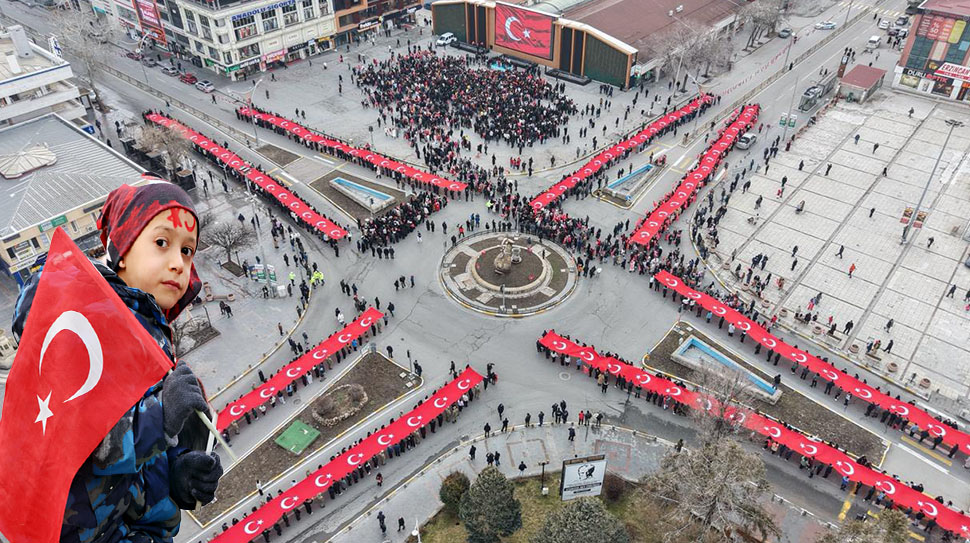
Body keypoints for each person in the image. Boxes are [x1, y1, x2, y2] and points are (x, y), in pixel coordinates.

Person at [12, 178, 224, 541]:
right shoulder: (79, 318)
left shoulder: (148, 327)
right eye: (162, 243)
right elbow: (75, 435)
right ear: (123, 248)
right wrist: (159, 420)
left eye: (188, 251)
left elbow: (129, 466)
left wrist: (176, 474)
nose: (179, 263)